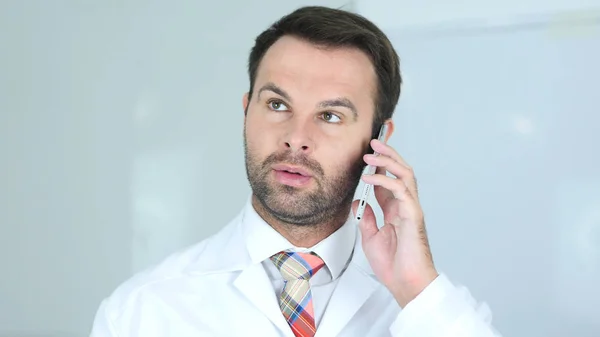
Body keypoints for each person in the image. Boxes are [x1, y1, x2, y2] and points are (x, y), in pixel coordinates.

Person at [90, 6, 502, 337]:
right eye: (277, 105)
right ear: (246, 111)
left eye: (330, 115)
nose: (296, 138)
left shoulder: (432, 309)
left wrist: (414, 287)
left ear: (379, 138)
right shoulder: (143, 311)